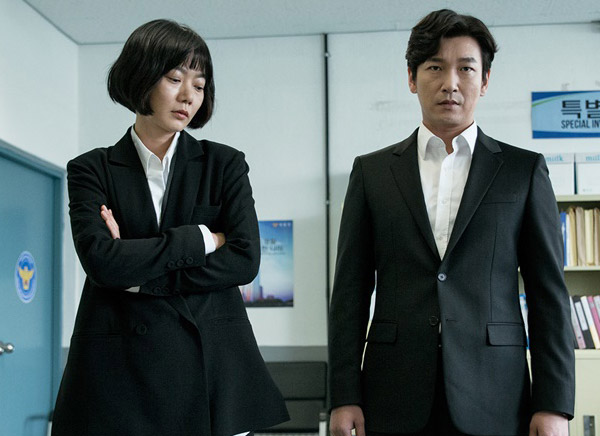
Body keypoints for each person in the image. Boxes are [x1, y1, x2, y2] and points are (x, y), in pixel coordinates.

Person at [328, 9, 574, 436]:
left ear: (485, 80)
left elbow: (548, 294)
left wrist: (553, 405)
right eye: (435, 68)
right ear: (411, 78)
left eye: (466, 68)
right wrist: (344, 396)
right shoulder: (372, 173)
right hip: (393, 392)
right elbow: (349, 294)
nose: (451, 83)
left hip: (496, 393)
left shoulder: (523, 171)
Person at [52, 19, 289, 436]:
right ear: (141, 77)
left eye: (199, 85)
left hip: (211, 369)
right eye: (175, 79)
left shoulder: (224, 164)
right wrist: (202, 238)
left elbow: (244, 260)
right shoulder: (91, 169)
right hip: (118, 374)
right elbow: (102, 263)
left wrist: (137, 274)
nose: (188, 96)